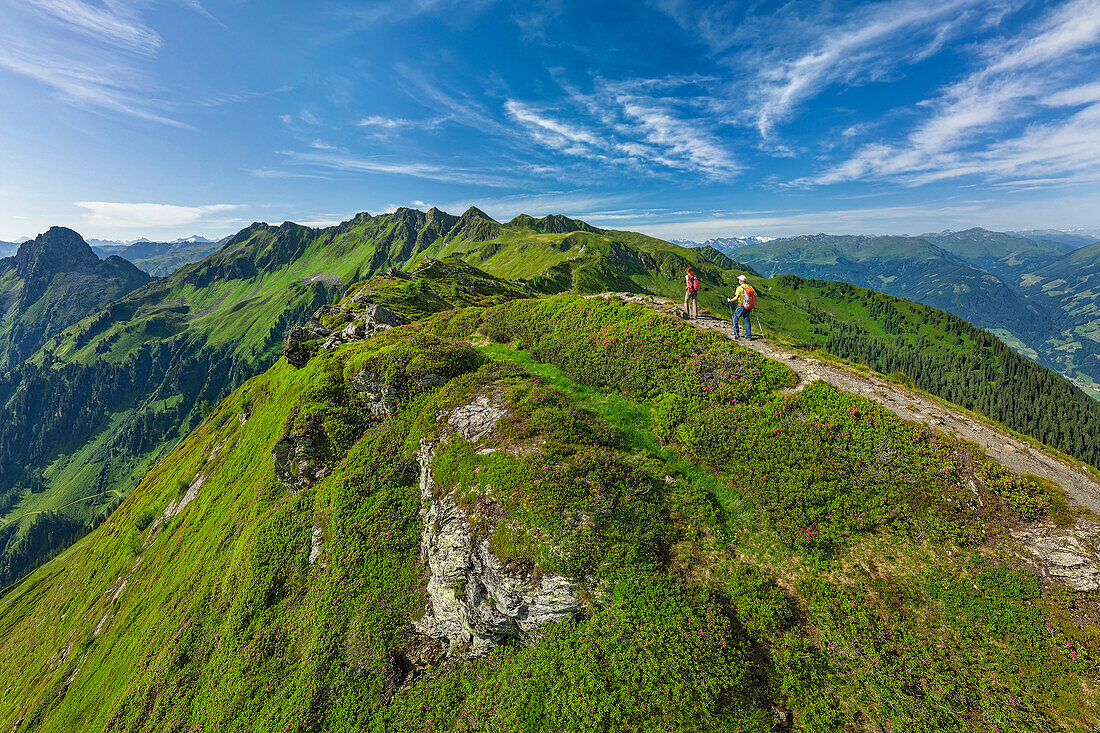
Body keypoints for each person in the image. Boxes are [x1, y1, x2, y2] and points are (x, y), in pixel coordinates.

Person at [727, 274, 756, 339]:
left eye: (739, 279)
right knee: (747, 320)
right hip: (748, 306)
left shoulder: (739, 288)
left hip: (741, 306)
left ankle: (736, 332)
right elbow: (755, 294)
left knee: (735, 318)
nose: (738, 280)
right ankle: (748, 336)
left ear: (741, 281)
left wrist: (730, 300)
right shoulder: (749, 286)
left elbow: (737, 297)